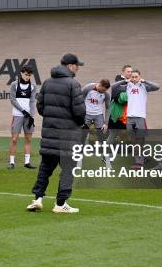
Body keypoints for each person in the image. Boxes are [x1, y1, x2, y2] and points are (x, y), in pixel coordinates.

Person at [27, 53, 85, 214]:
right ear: (70, 66)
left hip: (49, 134)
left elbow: (40, 107)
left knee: (45, 168)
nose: (78, 68)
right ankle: (60, 204)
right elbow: (80, 112)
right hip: (68, 136)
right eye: (76, 65)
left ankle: (37, 199)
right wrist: (77, 124)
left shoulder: (47, 83)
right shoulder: (74, 84)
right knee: (67, 170)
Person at [110, 69, 160, 169]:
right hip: (129, 117)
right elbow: (112, 86)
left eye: (136, 76)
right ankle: (138, 161)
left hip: (140, 117)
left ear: (139, 77)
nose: (134, 78)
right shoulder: (127, 86)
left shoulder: (144, 86)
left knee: (140, 139)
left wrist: (144, 81)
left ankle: (140, 162)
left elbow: (157, 87)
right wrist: (125, 81)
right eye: (132, 77)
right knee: (133, 141)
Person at [8, 65, 37, 170]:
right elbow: (13, 100)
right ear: (21, 73)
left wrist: (32, 115)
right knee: (14, 139)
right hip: (18, 115)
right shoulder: (14, 85)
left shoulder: (33, 86)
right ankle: (11, 162)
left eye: (29, 75)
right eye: (26, 75)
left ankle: (27, 162)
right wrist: (23, 111)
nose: (27, 77)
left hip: (28, 116)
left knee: (28, 139)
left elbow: (33, 101)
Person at [80, 79, 111, 168]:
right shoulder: (88, 88)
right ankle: (79, 158)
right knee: (82, 137)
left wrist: (106, 123)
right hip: (86, 115)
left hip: (98, 116)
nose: (104, 92)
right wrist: (80, 115)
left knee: (102, 137)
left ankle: (105, 158)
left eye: (106, 91)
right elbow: (79, 101)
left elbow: (108, 108)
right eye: (103, 90)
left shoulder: (106, 94)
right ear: (100, 85)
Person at [106, 65, 132, 149]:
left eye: (131, 71)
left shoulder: (131, 82)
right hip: (117, 113)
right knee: (112, 134)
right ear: (123, 72)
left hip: (127, 113)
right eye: (128, 71)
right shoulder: (118, 80)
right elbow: (119, 91)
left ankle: (140, 155)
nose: (130, 73)